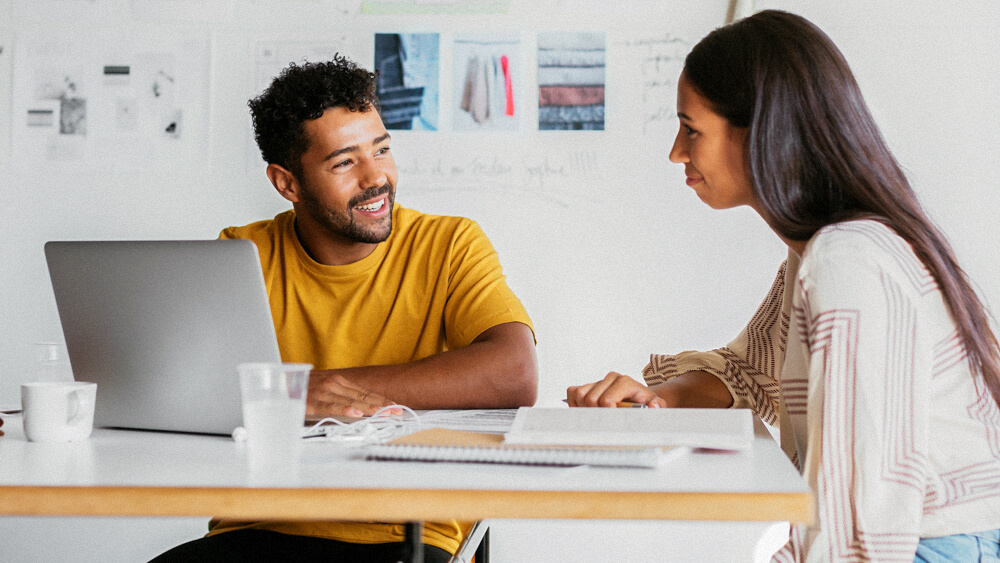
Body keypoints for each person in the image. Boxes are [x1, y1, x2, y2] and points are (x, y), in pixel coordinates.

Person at [566, 10, 1000, 562]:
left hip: (936, 543)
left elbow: (859, 521)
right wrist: (655, 400)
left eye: (691, 129)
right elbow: (750, 373)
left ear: (760, 132)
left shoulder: (849, 264)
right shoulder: (822, 251)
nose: (677, 152)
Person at [152, 55, 537, 562]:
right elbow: (184, 389)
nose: (376, 178)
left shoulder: (449, 243)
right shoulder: (241, 253)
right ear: (287, 183)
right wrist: (297, 395)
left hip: (401, 532)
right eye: (344, 162)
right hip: (258, 523)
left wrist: (312, 390)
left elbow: (514, 371)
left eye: (382, 149)